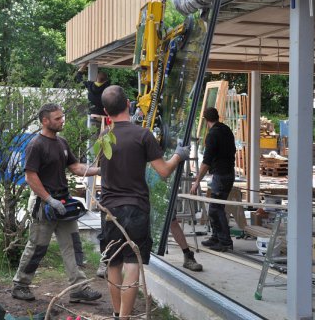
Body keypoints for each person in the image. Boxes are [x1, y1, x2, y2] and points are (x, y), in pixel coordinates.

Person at [98, 85, 189, 320]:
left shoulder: (104, 137)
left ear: (106, 112)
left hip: (108, 209)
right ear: (129, 104)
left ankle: (118, 313)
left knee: (113, 263)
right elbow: (163, 171)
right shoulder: (142, 135)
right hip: (135, 208)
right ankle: (125, 318)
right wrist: (179, 155)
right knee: (132, 263)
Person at [12, 103, 102, 303]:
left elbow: (76, 167)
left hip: (64, 204)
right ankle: (20, 285)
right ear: (45, 121)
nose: (62, 121)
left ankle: (78, 288)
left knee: (72, 245)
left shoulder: (61, 143)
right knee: (37, 247)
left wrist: (101, 170)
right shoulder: (36, 145)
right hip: (44, 205)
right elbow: (30, 176)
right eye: (57, 118)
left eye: (62, 117)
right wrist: (49, 200)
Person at [191, 107, 237, 252]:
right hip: (228, 173)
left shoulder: (213, 135)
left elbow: (206, 162)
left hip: (222, 176)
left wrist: (197, 180)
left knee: (216, 209)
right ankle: (216, 237)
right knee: (214, 209)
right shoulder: (226, 130)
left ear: (205, 120)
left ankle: (225, 242)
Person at [76, 65, 111, 131]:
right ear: (105, 80)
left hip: (94, 117)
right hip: (104, 118)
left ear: (96, 78)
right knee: (105, 139)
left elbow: (78, 77)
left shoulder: (90, 85)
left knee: (93, 139)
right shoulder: (108, 87)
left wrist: (85, 64)